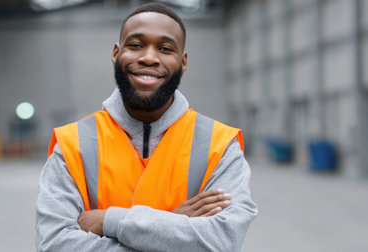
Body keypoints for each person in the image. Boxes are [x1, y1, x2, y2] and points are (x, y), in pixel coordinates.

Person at [36, 2, 257, 251]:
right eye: (136, 45)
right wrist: (173, 226)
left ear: (183, 61)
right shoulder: (71, 144)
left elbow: (222, 242)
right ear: (115, 53)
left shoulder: (220, 144)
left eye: (164, 48)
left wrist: (110, 220)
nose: (149, 58)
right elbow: (54, 245)